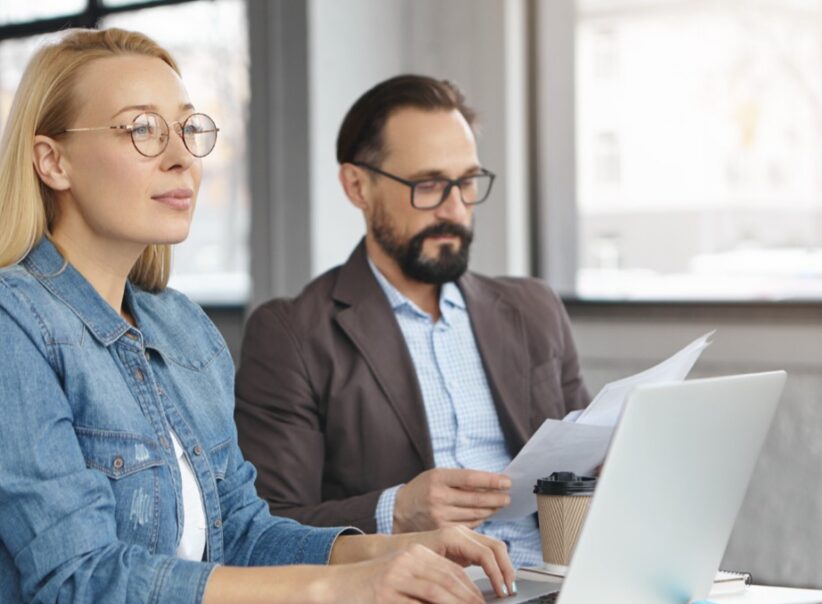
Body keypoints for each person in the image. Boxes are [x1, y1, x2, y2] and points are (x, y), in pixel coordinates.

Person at [0, 31, 515, 604]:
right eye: (142, 130)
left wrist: (389, 552)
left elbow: (241, 531)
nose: (181, 159)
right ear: (53, 162)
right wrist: (338, 587)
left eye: (188, 131)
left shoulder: (180, 325)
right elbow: (84, 580)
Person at [235, 75, 590, 569]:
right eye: (428, 186)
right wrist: (396, 511)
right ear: (357, 185)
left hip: (552, 579)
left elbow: (590, 464)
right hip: (414, 593)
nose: (454, 209)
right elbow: (267, 527)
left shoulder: (534, 309)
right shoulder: (293, 334)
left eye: (466, 182)